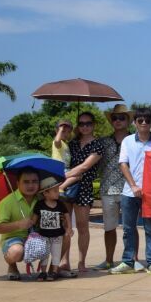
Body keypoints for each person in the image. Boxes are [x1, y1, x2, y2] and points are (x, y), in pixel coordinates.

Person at [110, 107, 151, 276]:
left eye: (147, 120)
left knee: (150, 229)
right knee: (128, 228)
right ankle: (128, 261)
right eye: (140, 120)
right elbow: (123, 164)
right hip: (130, 192)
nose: (144, 123)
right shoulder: (127, 141)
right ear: (134, 122)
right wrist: (134, 185)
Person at [91, 104, 133, 271]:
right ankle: (109, 260)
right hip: (107, 188)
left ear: (128, 121)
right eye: (115, 118)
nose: (118, 121)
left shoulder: (134, 141)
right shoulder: (102, 142)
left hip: (129, 189)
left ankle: (132, 260)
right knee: (109, 227)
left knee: (130, 228)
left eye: (122, 118)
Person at [63, 110, 105, 274]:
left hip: (84, 187)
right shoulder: (72, 143)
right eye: (81, 124)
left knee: (82, 226)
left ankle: (81, 262)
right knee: (65, 226)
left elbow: (85, 166)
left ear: (93, 125)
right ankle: (64, 261)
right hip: (67, 186)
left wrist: (64, 175)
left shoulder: (97, 144)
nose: (85, 126)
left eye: (88, 123)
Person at [0, 169, 41, 281]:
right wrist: (18, 224)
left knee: (61, 236)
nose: (31, 185)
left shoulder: (42, 199)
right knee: (16, 252)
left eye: (34, 181)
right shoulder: (7, 202)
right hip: (13, 239)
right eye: (26, 182)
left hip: (37, 236)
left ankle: (56, 268)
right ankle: (12, 265)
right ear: (18, 183)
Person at [31, 177, 71, 281]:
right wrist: (30, 227)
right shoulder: (40, 204)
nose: (58, 193)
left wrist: (69, 228)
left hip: (57, 235)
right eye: (55, 191)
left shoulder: (60, 204)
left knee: (56, 254)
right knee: (44, 254)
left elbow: (67, 215)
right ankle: (43, 272)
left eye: (58, 190)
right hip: (43, 235)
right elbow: (34, 219)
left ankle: (54, 272)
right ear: (45, 193)